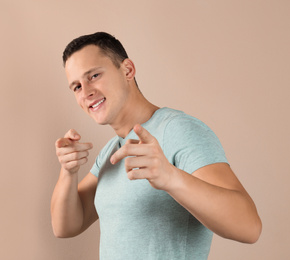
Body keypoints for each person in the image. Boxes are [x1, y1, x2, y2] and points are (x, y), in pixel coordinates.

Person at [51, 32, 262, 259]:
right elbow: (66, 226)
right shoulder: (112, 151)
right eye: (76, 87)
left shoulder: (178, 129)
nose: (86, 92)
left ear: (128, 70)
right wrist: (68, 172)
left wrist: (170, 178)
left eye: (93, 75)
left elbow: (250, 228)